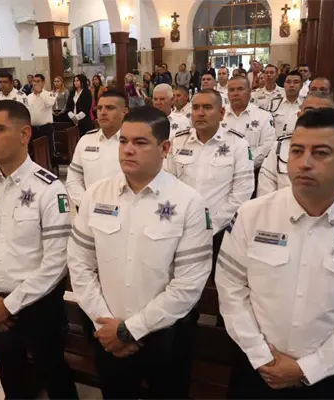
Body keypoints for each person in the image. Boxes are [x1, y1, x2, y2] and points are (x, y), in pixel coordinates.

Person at [216, 108, 334, 399]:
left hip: (329, 378)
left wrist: (308, 368)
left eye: (321, 153)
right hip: (256, 370)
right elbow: (231, 289)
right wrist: (261, 356)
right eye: (297, 151)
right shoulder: (251, 215)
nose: (305, 163)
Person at [67, 105, 213, 400]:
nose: (128, 149)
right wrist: (105, 323)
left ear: (165, 148)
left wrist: (130, 330)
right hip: (105, 331)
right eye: (123, 141)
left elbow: (188, 284)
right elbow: (79, 263)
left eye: (140, 142)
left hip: (163, 336)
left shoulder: (189, 203)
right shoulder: (97, 194)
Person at [0, 99, 79, 400]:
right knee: (10, 374)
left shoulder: (49, 189)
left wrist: (9, 306)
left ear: (25, 134)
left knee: (54, 372)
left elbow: (57, 263)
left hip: (39, 305)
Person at [166, 89, 254, 272]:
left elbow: (242, 193)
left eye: (207, 107)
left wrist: (211, 225)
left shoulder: (237, 144)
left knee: (216, 283)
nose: (200, 113)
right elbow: (168, 183)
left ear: (221, 113)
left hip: (220, 231)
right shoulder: (178, 141)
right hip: (179, 228)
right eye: (196, 107)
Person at [257, 91, 334, 203]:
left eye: (324, 112)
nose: (315, 117)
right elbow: (266, 195)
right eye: (309, 111)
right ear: (299, 115)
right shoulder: (280, 146)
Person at [65, 91, 128, 208]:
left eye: (109, 108)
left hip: (125, 211)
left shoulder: (135, 142)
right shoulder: (86, 140)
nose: (103, 112)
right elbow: (73, 178)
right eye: (99, 108)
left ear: (124, 112)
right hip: (89, 209)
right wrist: (86, 203)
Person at [223, 76, 275, 176]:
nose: (235, 93)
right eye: (231, 90)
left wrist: (244, 164)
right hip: (221, 171)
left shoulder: (264, 116)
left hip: (252, 172)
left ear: (249, 92)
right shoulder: (219, 115)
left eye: (240, 89)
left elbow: (267, 145)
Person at [27, 73, 57, 161]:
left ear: (43, 82)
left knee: (49, 152)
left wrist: (40, 93)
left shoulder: (50, 94)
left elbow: (49, 104)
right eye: (34, 81)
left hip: (45, 128)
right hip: (33, 129)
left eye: (38, 81)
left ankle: (51, 167)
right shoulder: (29, 97)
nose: (35, 83)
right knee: (34, 153)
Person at [269, 71, 303, 137]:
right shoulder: (273, 103)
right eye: (288, 82)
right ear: (284, 84)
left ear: (301, 86)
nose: (291, 85)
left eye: (296, 82)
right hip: (276, 141)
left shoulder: (306, 104)